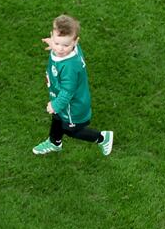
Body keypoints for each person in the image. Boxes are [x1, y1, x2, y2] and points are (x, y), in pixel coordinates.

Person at [32, 14, 113, 156]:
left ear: (76, 41)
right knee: (57, 118)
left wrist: (56, 105)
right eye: (57, 43)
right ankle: (54, 142)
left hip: (72, 106)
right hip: (61, 97)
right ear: (52, 35)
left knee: (72, 130)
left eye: (65, 45)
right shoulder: (69, 48)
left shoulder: (69, 67)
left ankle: (102, 138)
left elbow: (67, 92)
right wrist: (53, 43)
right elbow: (61, 43)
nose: (60, 49)